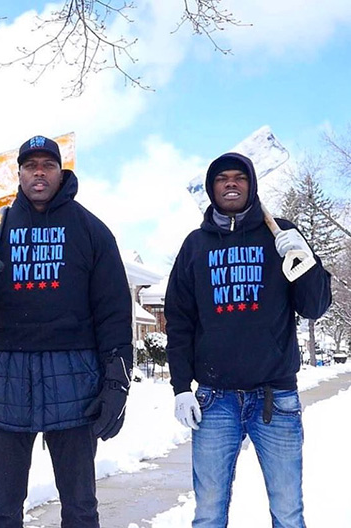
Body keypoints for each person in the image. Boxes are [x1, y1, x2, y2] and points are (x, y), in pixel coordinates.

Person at [0, 135, 133, 528]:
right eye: (30, 165)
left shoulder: (91, 231)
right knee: (2, 507)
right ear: (18, 173)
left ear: (60, 171)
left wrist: (117, 381)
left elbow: (114, 313)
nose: (38, 172)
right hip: (4, 380)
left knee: (81, 507)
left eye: (47, 165)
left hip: (74, 381)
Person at [165, 152, 332, 527]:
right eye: (222, 178)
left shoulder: (280, 235)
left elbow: (314, 307)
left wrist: (306, 262)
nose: (231, 183)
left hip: (276, 398)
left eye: (239, 177)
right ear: (211, 189)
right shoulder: (195, 246)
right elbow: (179, 322)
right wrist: (180, 387)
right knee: (208, 513)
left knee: (288, 512)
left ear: (251, 184)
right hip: (214, 400)